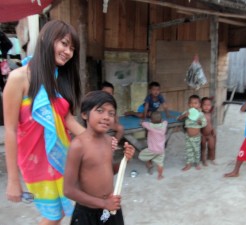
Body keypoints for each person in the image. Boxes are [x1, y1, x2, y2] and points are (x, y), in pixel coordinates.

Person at [3, 20, 86, 225]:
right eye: (64, 44)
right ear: (46, 39)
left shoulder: (58, 78)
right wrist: (13, 180)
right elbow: (11, 130)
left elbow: (66, 118)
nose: (68, 52)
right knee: (53, 215)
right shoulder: (18, 78)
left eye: (72, 48)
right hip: (36, 161)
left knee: (58, 215)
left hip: (62, 155)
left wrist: (95, 139)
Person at [63, 91, 135, 225]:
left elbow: (107, 170)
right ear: (84, 114)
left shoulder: (109, 141)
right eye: (100, 111)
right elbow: (68, 190)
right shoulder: (78, 146)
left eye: (111, 113)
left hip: (111, 208)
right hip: (87, 213)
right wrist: (103, 203)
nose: (107, 117)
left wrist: (125, 160)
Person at [177, 95, 207, 171]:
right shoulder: (187, 112)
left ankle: (197, 163)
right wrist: (184, 115)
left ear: (199, 105)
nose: (193, 105)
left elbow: (205, 123)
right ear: (188, 104)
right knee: (188, 151)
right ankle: (188, 164)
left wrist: (200, 122)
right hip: (188, 136)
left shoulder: (200, 114)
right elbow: (178, 119)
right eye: (191, 103)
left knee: (196, 150)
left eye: (195, 103)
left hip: (196, 137)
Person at [138, 111, 168, 180]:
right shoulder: (164, 125)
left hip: (152, 150)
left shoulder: (150, 125)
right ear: (161, 120)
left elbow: (142, 123)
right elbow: (165, 121)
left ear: (151, 120)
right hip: (161, 150)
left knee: (142, 155)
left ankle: (149, 164)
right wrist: (162, 121)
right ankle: (160, 175)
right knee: (160, 164)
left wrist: (142, 122)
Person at [200, 97, 216, 166]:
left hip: (210, 134)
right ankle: (203, 160)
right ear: (201, 106)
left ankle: (211, 158)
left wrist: (213, 129)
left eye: (208, 105)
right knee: (203, 148)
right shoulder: (200, 114)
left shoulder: (210, 113)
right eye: (204, 105)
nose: (207, 107)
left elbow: (211, 123)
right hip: (202, 134)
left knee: (211, 147)